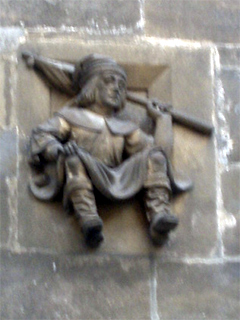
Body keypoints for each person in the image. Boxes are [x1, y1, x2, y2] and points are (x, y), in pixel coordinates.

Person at [27, 54, 185, 247]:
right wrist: (58, 150)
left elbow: (159, 151)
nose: (117, 87)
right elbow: (41, 135)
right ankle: (88, 219)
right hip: (84, 167)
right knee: (74, 158)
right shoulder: (71, 116)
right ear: (92, 85)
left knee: (155, 157)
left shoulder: (125, 127)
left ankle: (158, 214)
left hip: (116, 174)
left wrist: (161, 119)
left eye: (121, 84)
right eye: (109, 81)